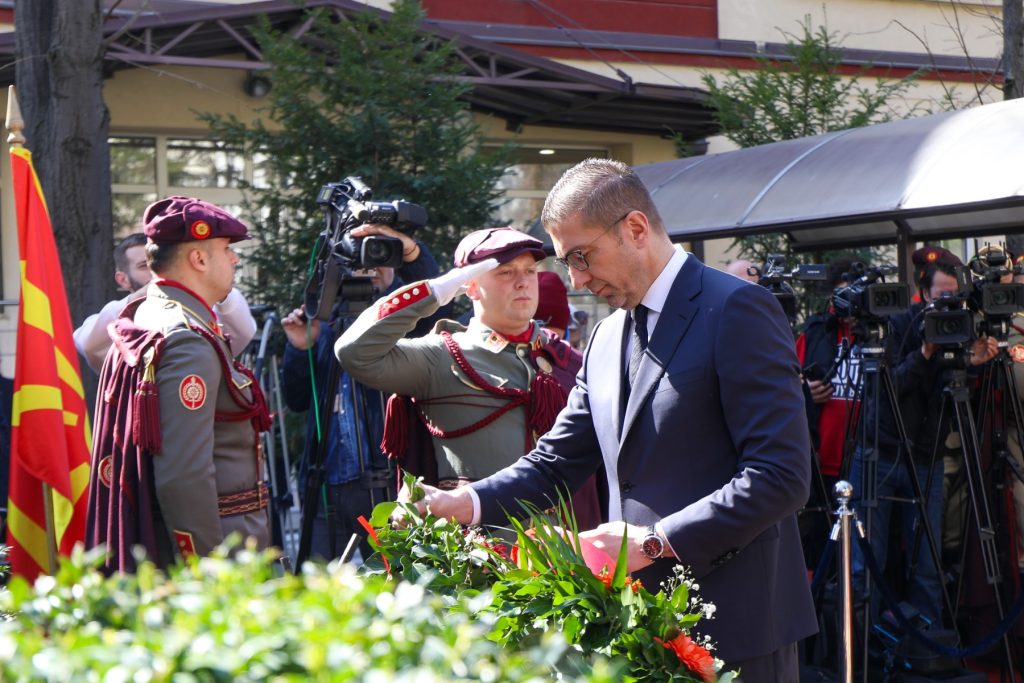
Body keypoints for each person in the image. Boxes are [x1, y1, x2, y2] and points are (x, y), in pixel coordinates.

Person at [390, 159, 818, 680]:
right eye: (568, 262)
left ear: (636, 229)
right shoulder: (606, 336)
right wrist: (466, 502)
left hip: (740, 624)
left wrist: (654, 542)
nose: (576, 279)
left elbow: (780, 477)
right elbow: (554, 464)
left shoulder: (737, 310)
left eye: (581, 256)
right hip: (637, 622)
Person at [335, 226, 603, 530]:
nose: (522, 282)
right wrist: (435, 291)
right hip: (481, 559)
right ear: (470, 286)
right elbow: (354, 352)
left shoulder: (567, 358)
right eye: (505, 272)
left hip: (567, 555)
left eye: (529, 270)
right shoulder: (440, 357)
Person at [86, 196, 272, 572]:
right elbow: (183, 478)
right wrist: (206, 569)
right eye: (225, 249)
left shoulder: (147, 311)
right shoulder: (187, 337)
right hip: (219, 544)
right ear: (199, 259)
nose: (235, 259)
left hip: (181, 535)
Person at [849, 245, 998, 627]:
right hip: (880, 455)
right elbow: (886, 390)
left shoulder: (964, 329)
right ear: (924, 293)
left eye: (955, 297)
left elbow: (962, 403)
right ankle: (863, 648)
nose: (948, 306)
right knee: (869, 561)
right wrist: (926, 351)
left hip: (927, 456)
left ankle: (927, 648)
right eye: (941, 297)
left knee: (928, 562)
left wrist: (974, 363)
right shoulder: (899, 323)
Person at [279, 225, 442, 562]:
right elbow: (296, 401)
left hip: (389, 478)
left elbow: (433, 299)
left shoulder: (407, 319)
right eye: (361, 260)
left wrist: (411, 250)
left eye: (381, 256)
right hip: (329, 480)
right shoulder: (325, 323)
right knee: (316, 583)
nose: (370, 268)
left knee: (394, 577)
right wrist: (300, 349)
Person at [74, 232, 257, 373]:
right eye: (144, 266)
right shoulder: (119, 314)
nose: (155, 270)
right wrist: (146, 292)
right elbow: (87, 343)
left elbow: (243, 333)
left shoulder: (196, 309)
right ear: (123, 280)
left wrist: (215, 286)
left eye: (159, 263)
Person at [795, 256, 861, 570]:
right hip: (822, 459)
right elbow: (788, 379)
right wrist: (805, 389)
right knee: (819, 546)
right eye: (842, 296)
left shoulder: (876, 335)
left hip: (864, 456)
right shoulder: (816, 333)